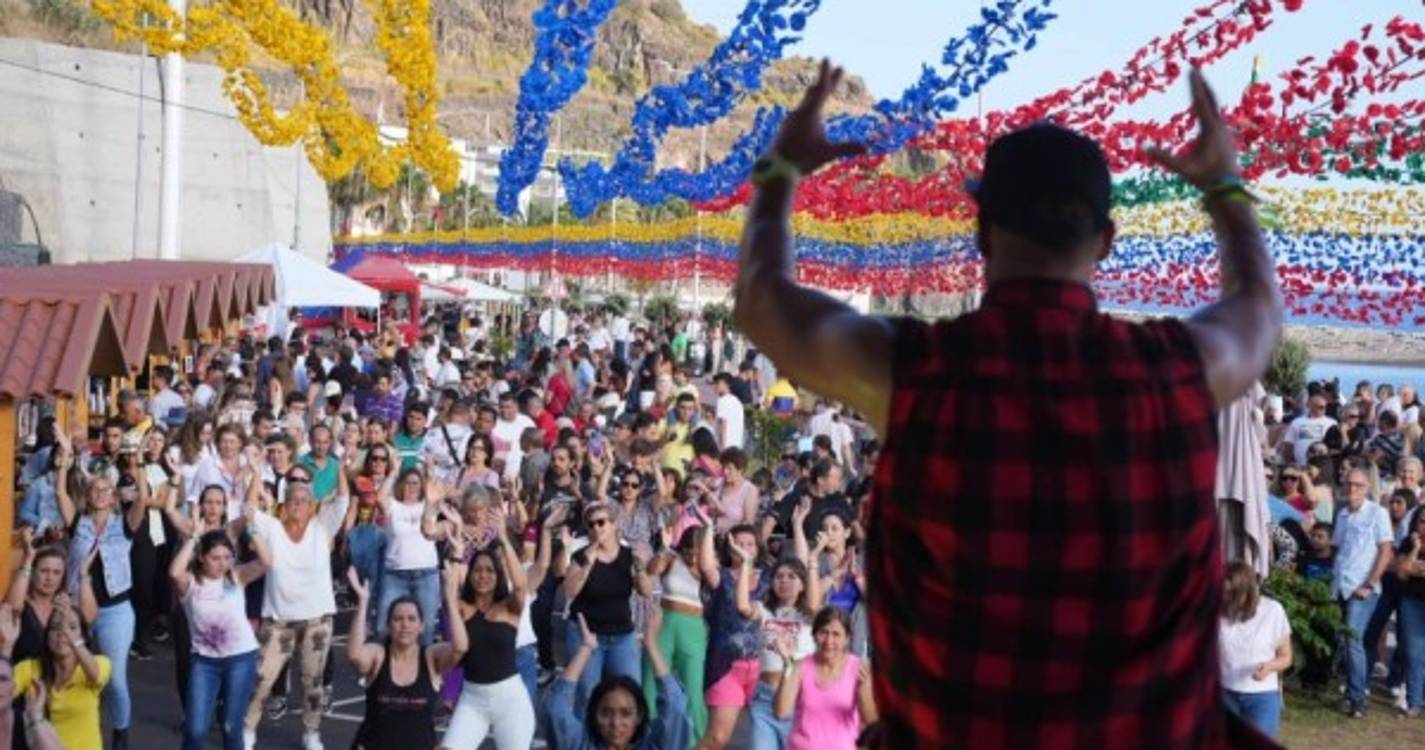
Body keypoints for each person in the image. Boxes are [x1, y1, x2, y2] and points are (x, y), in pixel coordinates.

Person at [734, 63, 1282, 746]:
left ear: (982, 233)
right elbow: (1259, 310)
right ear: (1105, 242)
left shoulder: (914, 372)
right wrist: (1223, 190)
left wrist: (780, 171)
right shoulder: (1176, 372)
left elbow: (760, 300)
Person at [54, 436, 153, 750]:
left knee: (114, 679)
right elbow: (59, 493)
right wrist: (64, 463)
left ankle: (120, 736)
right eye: (95, 489)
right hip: (77, 610)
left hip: (115, 611)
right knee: (73, 672)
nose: (100, 494)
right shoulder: (77, 523)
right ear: (88, 495)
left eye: (106, 490)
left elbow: (143, 499)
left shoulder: (123, 525)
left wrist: (139, 463)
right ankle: (80, 731)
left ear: (113, 497)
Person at [243, 478, 351, 750]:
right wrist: (255, 473)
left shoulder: (322, 528)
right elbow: (249, 509)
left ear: (312, 506)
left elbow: (343, 500)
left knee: (313, 681)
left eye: (304, 501)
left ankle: (311, 733)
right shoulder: (272, 528)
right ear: (284, 504)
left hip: (317, 621)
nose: (298, 505)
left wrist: (340, 468)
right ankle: (247, 729)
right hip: (279, 621)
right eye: (293, 500)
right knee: (262, 679)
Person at [346, 558, 468, 750]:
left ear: (422, 626)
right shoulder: (379, 655)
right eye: (398, 619)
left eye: (412, 619)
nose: (405, 624)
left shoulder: (430, 658)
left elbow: (460, 648)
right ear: (388, 626)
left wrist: (451, 602)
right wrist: (363, 602)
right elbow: (355, 655)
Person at [170, 525, 270, 750]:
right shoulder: (191, 583)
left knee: (231, 727)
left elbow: (265, 562)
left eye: (227, 557)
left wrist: (253, 527)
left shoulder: (236, 576)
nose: (222, 563)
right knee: (195, 730)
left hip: (240, 659)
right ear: (201, 557)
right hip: (204, 662)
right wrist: (194, 537)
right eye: (215, 558)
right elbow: (174, 572)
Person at [442, 515, 536, 750]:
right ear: (470, 575)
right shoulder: (462, 608)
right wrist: (457, 554)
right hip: (472, 700)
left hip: (510, 700)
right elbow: (449, 590)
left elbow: (521, 585)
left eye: (489, 570)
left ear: (498, 575)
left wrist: (503, 538)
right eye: (477, 570)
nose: (483, 575)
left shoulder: (509, 608)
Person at [549, 609, 691, 750]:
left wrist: (651, 645)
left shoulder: (651, 746)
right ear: (594, 715)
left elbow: (676, 709)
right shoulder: (581, 745)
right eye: (606, 713)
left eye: (626, 714)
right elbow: (555, 708)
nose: (616, 723)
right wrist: (585, 648)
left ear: (639, 716)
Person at [561, 502, 654, 715]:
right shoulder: (582, 556)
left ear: (613, 525)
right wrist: (588, 562)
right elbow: (569, 591)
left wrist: (640, 568)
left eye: (601, 522)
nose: (596, 528)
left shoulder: (629, 556)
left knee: (630, 694)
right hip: (586, 637)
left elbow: (646, 591)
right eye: (591, 524)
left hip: (621, 635)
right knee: (588, 697)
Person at [1333, 466, 1395, 717]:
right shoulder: (1341, 513)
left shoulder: (1378, 513)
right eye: (1349, 484)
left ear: (1367, 488)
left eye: (1358, 485)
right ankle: (1351, 693)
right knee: (1345, 641)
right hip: (1341, 585)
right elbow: (1339, 550)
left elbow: (1386, 552)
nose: (1352, 489)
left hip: (1363, 589)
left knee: (1353, 640)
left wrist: (1369, 584)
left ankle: (1358, 698)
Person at [773, 607, 875, 750]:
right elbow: (781, 712)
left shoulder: (859, 669)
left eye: (836, 634)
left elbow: (870, 721)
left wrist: (864, 689)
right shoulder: (801, 666)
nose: (829, 641)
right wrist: (787, 665)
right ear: (814, 635)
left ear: (847, 639)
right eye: (823, 632)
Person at [1217, 562, 1292, 738]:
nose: (1226, 598)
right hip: (1224, 693)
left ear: (1247, 591)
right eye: (1223, 592)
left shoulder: (1273, 611)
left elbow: (1286, 657)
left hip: (1262, 697)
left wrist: (1270, 667)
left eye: (1231, 594)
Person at [374, 470, 443, 645]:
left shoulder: (428, 505)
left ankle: (423, 662)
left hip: (426, 575)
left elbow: (438, 492)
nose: (412, 486)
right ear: (401, 485)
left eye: (416, 483)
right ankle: (385, 661)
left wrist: (430, 471)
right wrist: (393, 472)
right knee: (383, 627)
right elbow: (379, 498)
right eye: (408, 482)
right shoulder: (394, 505)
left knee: (426, 630)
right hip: (395, 575)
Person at [1392, 507, 1425, 719]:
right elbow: (1403, 573)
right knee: (1414, 653)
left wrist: (1415, 568)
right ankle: (1414, 702)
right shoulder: (1408, 542)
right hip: (1412, 602)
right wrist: (1415, 550)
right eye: (1422, 521)